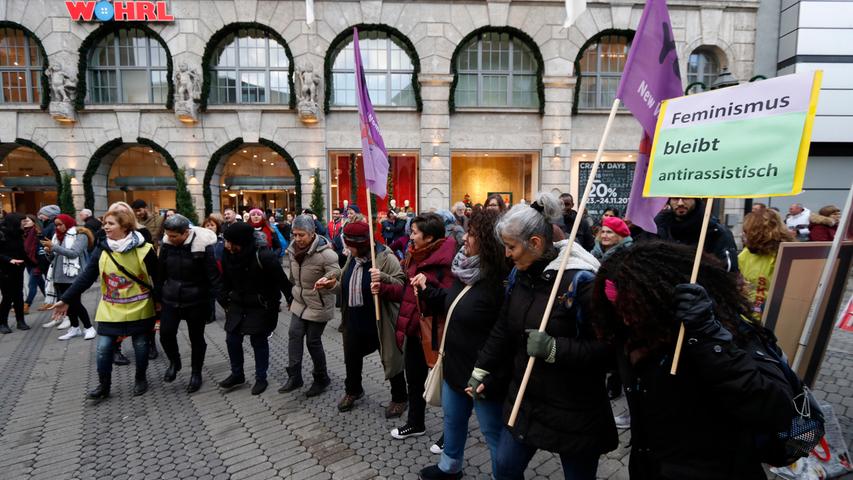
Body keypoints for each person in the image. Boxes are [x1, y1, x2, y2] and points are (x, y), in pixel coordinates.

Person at [591, 242, 796, 479]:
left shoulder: (721, 331)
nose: (626, 320)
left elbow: (777, 409)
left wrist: (710, 340)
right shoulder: (632, 334)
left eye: (633, 309)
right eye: (618, 310)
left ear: (661, 298)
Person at [469, 193, 616, 480]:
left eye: (511, 247)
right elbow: (503, 327)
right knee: (506, 467)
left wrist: (554, 349)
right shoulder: (519, 275)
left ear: (534, 243)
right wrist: (481, 367)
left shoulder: (582, 282)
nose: (507, 255)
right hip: (527, 400)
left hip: (573, 408)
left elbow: (608, 349)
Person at [417, 209, 508, 480]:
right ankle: (449, 467)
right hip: (454, 367)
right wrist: (427, 291)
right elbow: (452, 303)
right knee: (453, 421)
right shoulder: (464, 270)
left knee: (493, 434)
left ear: (490, 242)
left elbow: (506, 336)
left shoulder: (498, 284)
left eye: (472, 234)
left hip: (482, 376)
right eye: (466, 231)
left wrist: (492, 375)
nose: (465, 238)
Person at [51, 207, 159, 399]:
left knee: (141, 344)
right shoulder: (102, 249)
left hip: (140, 306)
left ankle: (141, 378)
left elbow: (158, 279)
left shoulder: (145, 249)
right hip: (111, 307)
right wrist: (66, 299)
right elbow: (86, 276)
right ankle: (104, 385)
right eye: (105, 223)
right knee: (103, 347)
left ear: (125, 226)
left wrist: (160, 304)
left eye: (111, 224)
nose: (105, 227)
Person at [372, 212, 457, 440]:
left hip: (436, 333)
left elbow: (449, 301)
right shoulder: (415, 256)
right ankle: (415, 423)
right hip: (414, 330)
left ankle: (450, 437)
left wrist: (428, 288)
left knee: (444, 385)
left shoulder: (445, 263)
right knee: (415, 381)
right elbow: (407, 293)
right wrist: (385, 289)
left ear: (429, 238)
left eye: (415, 232)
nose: (410, 236)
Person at [336, 219, 408, 417]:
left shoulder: (385, 258)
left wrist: (382, 281)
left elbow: (401, 287)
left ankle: (400, 397)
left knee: (390, 358)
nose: (347, 249)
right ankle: (353, 391)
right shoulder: (353, 257)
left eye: (350, 245)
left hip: (380, 320)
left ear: (360, 244)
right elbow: (344, 281)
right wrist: (330, 284)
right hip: (354, 318)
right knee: (351, 358)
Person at [218, 222, 292, 395]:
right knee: (232, 339)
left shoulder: (263, 256)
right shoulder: (227, 254)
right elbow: (226, 279)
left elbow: (281, 280)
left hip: (260, 304)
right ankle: (237, 374)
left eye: (230, 241)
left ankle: (261, 378)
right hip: (237, 302)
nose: (227, 245)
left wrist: (290, 298)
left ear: (241, 241)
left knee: (258, 341)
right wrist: (222, 297)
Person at [157, 215, 221, 393]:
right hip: (170, 298)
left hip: (196, 300)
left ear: (186, 233)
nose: (170, 239)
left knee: (196, 339)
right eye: (168, 235)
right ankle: (174, 362)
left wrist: (220, 301)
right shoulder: (167, 246)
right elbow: (160, 273)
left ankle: (196, 373)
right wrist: (157, 297)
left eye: (174, 236)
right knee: (165, 334)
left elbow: (212, 276)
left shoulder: (202, 246)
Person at [279, 214, 340, 397]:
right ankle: (295, 376)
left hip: (319, 303)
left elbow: (337, 277)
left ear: (312, 233)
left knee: (313, 341)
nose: (297, 239)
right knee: (293, 334)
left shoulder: (326, 254)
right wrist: (291, 297)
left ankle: (321, 378)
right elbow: (292, 277)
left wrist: (329, 283)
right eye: (294, 234)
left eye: (301, 235)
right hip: (300, 301)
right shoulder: (291, 250)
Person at [42, 214, 95, 341]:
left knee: (75, 303)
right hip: (59, 277)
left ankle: (89, 328)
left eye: (60, 224)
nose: (58, 227)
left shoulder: (80, 235)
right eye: (56, 225)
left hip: (74, 277)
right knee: (67, 304)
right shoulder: (57, 237)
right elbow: (52, 259)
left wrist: (54, 247)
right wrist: (49, 251)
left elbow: (74, 253)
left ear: (68, 222)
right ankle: (74, 328)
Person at [654, 197, 739, 273]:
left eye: (686, 198)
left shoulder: (716, 232)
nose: (680, 203)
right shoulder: (657, 228)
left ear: (696, 199)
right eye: (675, 198)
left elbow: (729, 272)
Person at [739, 210, 794, 321]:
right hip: (749, 318)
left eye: (746, 231)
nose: (743, 234)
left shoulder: (786, 253)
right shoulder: (746, 253)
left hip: (776, 318)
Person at [0, 213, 31, 333]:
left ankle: (20, 321)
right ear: (15, 222)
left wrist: (34, 263)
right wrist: (9, 260)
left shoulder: (18, 234)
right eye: (22, 222)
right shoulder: (2, 233)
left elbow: (22, 252)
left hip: (18, 270)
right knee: (7, 297)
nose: (25, 224)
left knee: (18, 296)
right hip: (4, 271)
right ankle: (3, 323)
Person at [22, 214, 45, 315]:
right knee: (41, 283)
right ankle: (52, 300)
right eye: (24, 221)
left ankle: (26, 306)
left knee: (32, 285)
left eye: (27, 221)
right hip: (28, 263)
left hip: (36, 263)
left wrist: (39, 265)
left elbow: (40, 251)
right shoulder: (24, 233)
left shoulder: (37, 233)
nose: (25, 222)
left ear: (33, 222)